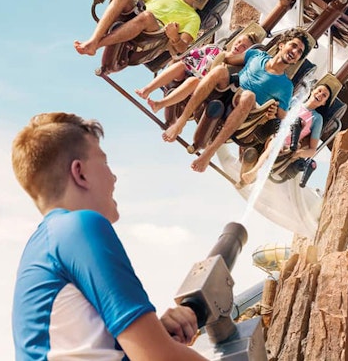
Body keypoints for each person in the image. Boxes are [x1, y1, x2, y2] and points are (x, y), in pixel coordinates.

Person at [11, 112, 206, 360]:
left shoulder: (44, 245)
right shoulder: (79, 227)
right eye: (104, 162)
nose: (113, 177)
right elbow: (158, 358)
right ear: (80, 173)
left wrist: (155, 332)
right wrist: (158, 345)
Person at [162, 29, 313, 173]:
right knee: (220, 71)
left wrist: (274, 111)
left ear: (297, 59)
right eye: (293, 46)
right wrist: (220, 53)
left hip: (246, 108)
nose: (295, 52)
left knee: (249, 96)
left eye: (299, 52)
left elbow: (283, 115)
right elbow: (228, 58)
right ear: (281, 45)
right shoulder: (257, 55)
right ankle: (180, 123)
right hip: (229, 89)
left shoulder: (286, 86)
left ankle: (208, 153)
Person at [74, 0, 220, 59]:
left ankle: (96, 45)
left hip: (152, 35)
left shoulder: (193, 18)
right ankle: (93, 41)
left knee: (147, 16)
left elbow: (182, 48)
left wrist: (175, 37)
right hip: (137, 13)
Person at [135, 25, 264, 113]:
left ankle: (160, 104)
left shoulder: (238, 69)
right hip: (191, 71)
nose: (239, 46)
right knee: (181, 65)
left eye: (244, 47)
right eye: (239, 42)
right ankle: (146, 90)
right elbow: (192, 56)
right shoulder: (214, 49)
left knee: (193, 81)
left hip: (204, 87)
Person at [238, 78, 336, 187]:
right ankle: (248, 173)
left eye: (324, 95)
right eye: (319, 91)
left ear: (324, 103)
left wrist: (299, 153)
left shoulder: (317, 119)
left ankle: (253, 172)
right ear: (312, 90)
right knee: (273, 140)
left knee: (276, 143)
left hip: (287, 145)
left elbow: (312, 150)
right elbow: (279, 115)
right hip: (273, 131)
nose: (320, 94)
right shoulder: (295, 102)